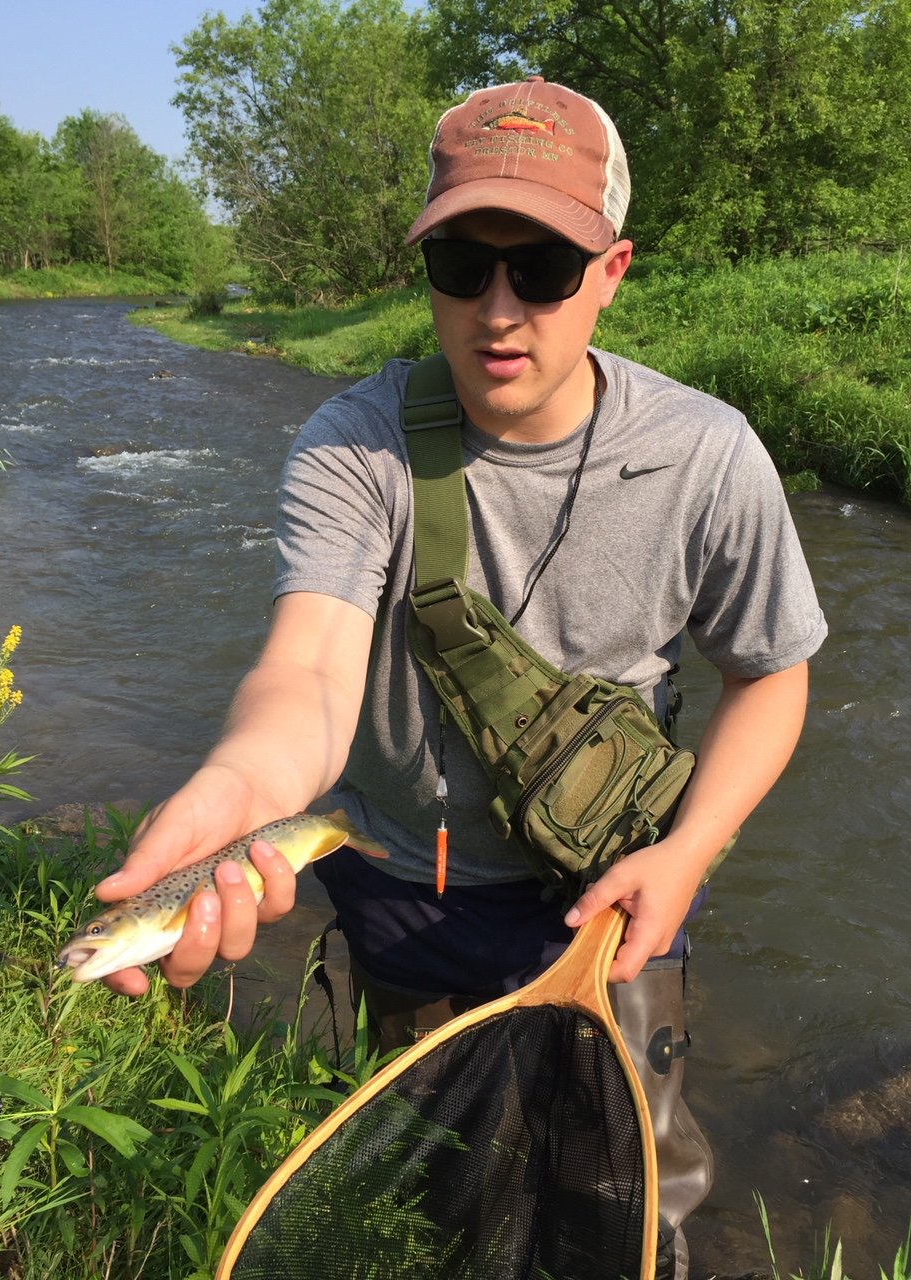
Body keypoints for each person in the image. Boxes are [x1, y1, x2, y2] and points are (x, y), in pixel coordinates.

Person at [96, 77, 827, 1277]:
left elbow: (773, 675)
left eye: (540, 266)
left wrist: (687, 852)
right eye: (461, 265)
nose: (498, 309)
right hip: (401, 895)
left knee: (629, 1203)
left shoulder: (708, 455)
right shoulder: (354, 444)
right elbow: (310, 672)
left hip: (614, 895)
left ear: (613, 269)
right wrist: (237, 783)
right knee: (450, 1201)